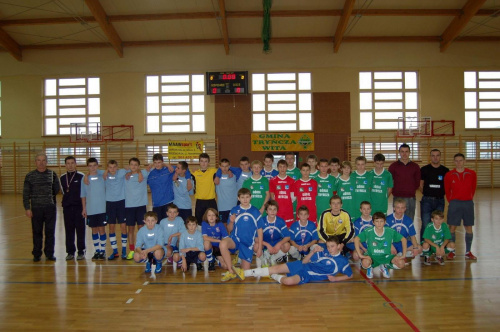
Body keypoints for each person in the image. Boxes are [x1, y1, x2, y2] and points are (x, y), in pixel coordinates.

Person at [243, 235, 352, 286]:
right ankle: (245, 273)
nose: (329, 249)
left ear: (338, 246)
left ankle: (273, 276)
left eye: (332, 246)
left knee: (287, 281)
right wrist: (313, 252)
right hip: (302, 265)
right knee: (275, 268)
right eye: (328, 246)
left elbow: (350, 275)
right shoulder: (322, 252)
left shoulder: (342, 261)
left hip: (308, 274)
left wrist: (335, 279)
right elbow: (304, 261)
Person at [219, 188, 264, 282]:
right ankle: (231, 270)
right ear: (238, 198)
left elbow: (260, 230)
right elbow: (229, 229)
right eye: (242, 197)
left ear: (250, 197)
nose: (245, 200)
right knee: (223, 244)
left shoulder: (255, 211)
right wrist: (231, 222)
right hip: (235, 240)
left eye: (247, 197)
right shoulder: (234, 210)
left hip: (247, 243)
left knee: (245, 273)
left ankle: (239, 258)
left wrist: (259, 248)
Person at [23, 153, 60, 262]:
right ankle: (37, 254)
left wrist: (47, 197)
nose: (41, 162)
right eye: (39, 160)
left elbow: (56, 189)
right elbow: (26, 194)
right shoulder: (30, 176)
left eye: (43, 160)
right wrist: (27, 208)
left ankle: (49, 254)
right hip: (36, 208)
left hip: (50, 208)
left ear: (46, 162)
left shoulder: (52, 175)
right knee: (37, 232)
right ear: (35, 162)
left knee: (50, 232)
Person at [444, 153, 477, 260]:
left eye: (460, 160)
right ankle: (451, 251)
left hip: (468, 203)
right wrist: (453, 200)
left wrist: (468, 197)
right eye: (456, 161)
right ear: (454, 162)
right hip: (455, 204)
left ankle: (468, 252)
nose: (458, 163)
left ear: (464, 161)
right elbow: (447, 190)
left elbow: (473, 188)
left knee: (468, 227)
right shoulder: (449, 175)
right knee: (452, 227)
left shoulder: (471, 173)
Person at [355, 212, 407, 279]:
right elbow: (356, 239)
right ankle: (370, 267)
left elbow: (404, 239)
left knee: (401, 263)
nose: (379, 223)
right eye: (377, 221)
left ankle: (384, 266)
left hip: (386, 257)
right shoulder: (368, 231)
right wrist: (360, 255)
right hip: (372, 257)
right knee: (365, 263)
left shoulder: (390, 231)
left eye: (381, 221)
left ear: (385, 222)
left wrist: (404, 255)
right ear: (373, 222)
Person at [147, 153, 191, 223]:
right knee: (158, 226)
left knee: (169, 224)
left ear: (162, 162)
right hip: (156, 204)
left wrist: (188, 179)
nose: (157, 165)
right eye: (155, 163)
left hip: (168, 203)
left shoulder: (169, 170)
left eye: (159, 162)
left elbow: (185, 168)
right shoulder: (150, 174)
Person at [420, 149, 449, 241]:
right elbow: (421, 185)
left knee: (438, 223)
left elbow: (447, 185)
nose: (435, 157)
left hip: (440, 201)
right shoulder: (424, 169)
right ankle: (424, 246)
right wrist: (427, 194)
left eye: (437, 155)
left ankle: (437, 243)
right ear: (430, 157)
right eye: (433, 155)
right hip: (427, 201)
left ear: (440, 157)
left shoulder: (445, 170)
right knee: (425, 223)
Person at [81, 158, 107, 260]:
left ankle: (103, 251)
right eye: (90, 166)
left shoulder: (102, 177)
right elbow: (83, 195)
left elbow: (107, 170)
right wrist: (84, 209)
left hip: (102, 209)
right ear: (88, 167)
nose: (93, 168)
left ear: (97, 166)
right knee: (94, 230)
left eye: (94, 165)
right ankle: (97, 250)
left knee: (102, 230)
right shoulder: (84, 180)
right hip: (91, 209)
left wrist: (87, 174)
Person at [60, 156, 85, 261]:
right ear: (65, 165)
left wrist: (84, 208)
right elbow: (63, 192)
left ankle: (81, 251)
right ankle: (70, 252)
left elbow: (84, 193)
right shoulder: (61, 177)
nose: (70, 165)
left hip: (79, 208)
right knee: (69, 230)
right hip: (67, 208)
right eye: (68, 163)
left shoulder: (81, 176)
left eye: (72, 163)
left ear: (76, 164)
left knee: (80, 230)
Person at [388, 143, 421, 222]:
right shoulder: (393, 166)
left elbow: (417, 182)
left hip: (411, 198)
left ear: (409, 152)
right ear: (399, 153)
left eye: (406, 151)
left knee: (409, 221)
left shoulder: (415, 166)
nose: (404, 154)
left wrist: (410, 189)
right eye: (402, 151)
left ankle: (408, 235)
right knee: (397, 220)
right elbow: (390, 182)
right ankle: (397, 235)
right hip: (397, 197)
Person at [103, 160, 128, 260]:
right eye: (110, 167)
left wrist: (128, 170)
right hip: (110, 203)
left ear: (117, 167)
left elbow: (134, 169)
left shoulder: (122, 172)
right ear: (107, 168)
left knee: (123, 227)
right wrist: (105, 171)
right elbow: (92, 171)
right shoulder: (103, 174)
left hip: (121, 202)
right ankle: (115, 251)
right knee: (111, 227)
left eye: (114, 167)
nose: (112, 169)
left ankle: (124, 251)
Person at [124, 157, 148, 259]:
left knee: (141, 229)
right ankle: (131, 250)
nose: (133, 166)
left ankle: (142, 249)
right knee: (130, 229)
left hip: (141, 205)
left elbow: (150, 166)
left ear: (138, 166)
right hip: (129, 206)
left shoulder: (144, 174)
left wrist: (139, 172)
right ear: (129, 166)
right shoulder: (125, 175)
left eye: (135, 165)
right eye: (132, 165)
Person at [260, 200, 291, 266]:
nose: (272, 211)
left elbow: (288, 237)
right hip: (265, 245)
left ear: (277, 211)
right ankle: (265, 256)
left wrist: (278, 244)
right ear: (266, 211)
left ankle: (274, 257)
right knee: (256, 246)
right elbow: (256, 238)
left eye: (274, 209)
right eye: (270, 209)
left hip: (276, 244)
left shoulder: (280, 221)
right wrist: (267, 245)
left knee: (287, 245)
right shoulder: (261, 221)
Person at [192, 153, 218, 225]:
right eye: (202, 161)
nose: (203, 163)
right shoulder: (195, 173)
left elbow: (226, 167)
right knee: (199, 222)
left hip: (211, 201)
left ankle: (212, 236)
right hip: (200, 202)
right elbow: (181, 169)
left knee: (213, 221)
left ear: (209, 163)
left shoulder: (213, 171)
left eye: (205, 161)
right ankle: (201, 236)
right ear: (199, 162)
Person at [269, 159, 295, 227]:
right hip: (277, 209)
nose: (282, 169)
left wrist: (287, 202)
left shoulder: (291, 180)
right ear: (277, 168)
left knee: (288, 227)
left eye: (284, 167)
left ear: (287, 168)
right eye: (280, 167)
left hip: (288, 209)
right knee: (277, 226)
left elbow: (293, 196)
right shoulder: (273, 180)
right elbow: (272, 195)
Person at [215, 158, 238, 224]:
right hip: (222, 206)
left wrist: (230, 171)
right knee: (223, 225)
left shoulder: (234, 176)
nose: (224, 168)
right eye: (222, 166)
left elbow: (241, 170)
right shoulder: (216, 177)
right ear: (219, 166)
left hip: (233, 206)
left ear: (229, 166)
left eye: (226, 166)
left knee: (233, 224)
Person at [350, 156, 373, 221]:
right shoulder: (352, 175)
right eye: (358, 164)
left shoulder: (370, 175)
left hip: (366, 206)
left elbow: (371, 189)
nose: (360, 167)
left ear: (365, 164)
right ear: (355, 165)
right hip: (354, 205)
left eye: (362, 164)